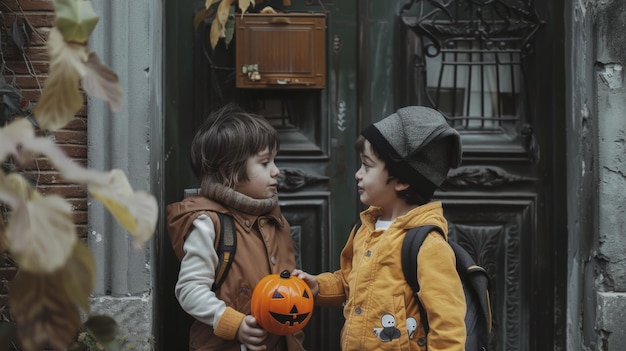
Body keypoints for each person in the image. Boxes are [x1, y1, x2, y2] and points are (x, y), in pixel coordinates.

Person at [292, 106, 466, 350]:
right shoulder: (366, 228)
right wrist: (318, 286)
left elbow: (448, 326)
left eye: (367, 166)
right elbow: (349, 281)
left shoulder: (427, 245)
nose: (357, 175)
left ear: (403, 180)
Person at [167, 103, 305, 351]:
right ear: (230, 170)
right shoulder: (209, 223)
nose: (276, 171)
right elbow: (189, 289)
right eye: (264, 163)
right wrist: (233, 323)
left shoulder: (275, 220)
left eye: (274, 161)